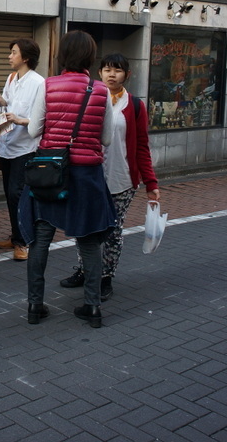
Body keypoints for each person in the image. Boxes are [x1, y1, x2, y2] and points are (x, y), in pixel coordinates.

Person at [19, 30, 117, 328]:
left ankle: (35, 305)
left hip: (50, 174)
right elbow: (107, 138)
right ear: (91, 57)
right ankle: (93, 307)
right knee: (89, 242)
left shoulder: (47, 86)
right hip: (87, 176)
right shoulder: (100, 90)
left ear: (61, 56)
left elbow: (34, 130)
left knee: (40, 240)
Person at [60, 53, 159, 299]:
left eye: (117, 70)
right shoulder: (91, 98)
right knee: (85, 227)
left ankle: (106, 276)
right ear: (99, 73)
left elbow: (142, 146)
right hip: (90, 176)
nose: (111, 74)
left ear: (127, 74)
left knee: (113, 231)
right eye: (106, 69)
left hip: (122, 179)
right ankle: (84, 269)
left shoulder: (135, 105)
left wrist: (151, 182)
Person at [0, 38, 45, 262]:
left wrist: (21, 120)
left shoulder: (39, 83)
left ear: (26, 57)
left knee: (17, 193)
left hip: (25, 147)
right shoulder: (12, 78)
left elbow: (41, 118)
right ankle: (15, 236)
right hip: (7, 145)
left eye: (13, 52)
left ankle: (23, 242)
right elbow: (8, 106)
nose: (9, 56)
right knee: (10, 193)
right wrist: (1, 100)